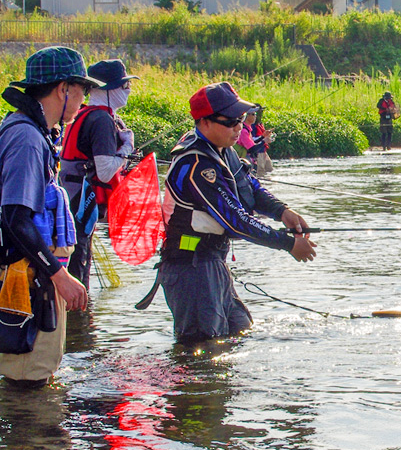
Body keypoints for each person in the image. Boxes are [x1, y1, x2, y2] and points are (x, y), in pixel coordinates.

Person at [0, 46, 99, 386]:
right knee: (28, 382)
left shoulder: (34, 132)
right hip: (23, 277)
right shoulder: (27, 138)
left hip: (31, 273)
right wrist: (59, 274)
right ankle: (30, 439)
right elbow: (16, 219)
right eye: (81, 91)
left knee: (35, 375)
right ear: (63, 89)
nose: (83, 100)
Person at [160, 82, 317, 343]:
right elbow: (237, 221)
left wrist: (282, 211)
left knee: (239, 332)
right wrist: (288, 243)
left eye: (241, 119)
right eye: (231, 121)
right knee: (202, 349)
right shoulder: (196, 164)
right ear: (205, 123)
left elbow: (250, 188)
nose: (239, 127)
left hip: (213, 262)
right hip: (191, 267)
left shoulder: (225, 150)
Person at [59, 58, 138, 286]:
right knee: (78, 270)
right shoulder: (102, 119)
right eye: (124, 86)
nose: (128, 90)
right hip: (81, 206)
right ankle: (80, 317)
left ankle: (80, 320)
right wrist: (127, 147)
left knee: (74, 263)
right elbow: (104, 172)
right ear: (106, 90)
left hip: (72, 201)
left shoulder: (84, 113)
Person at [249, 105, 274, 175]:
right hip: (258, 152)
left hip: (264, 151)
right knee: (260, 173)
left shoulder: (260, 124)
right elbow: (252, 139)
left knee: (269, 170)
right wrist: (263, 139)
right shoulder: (252, 125)